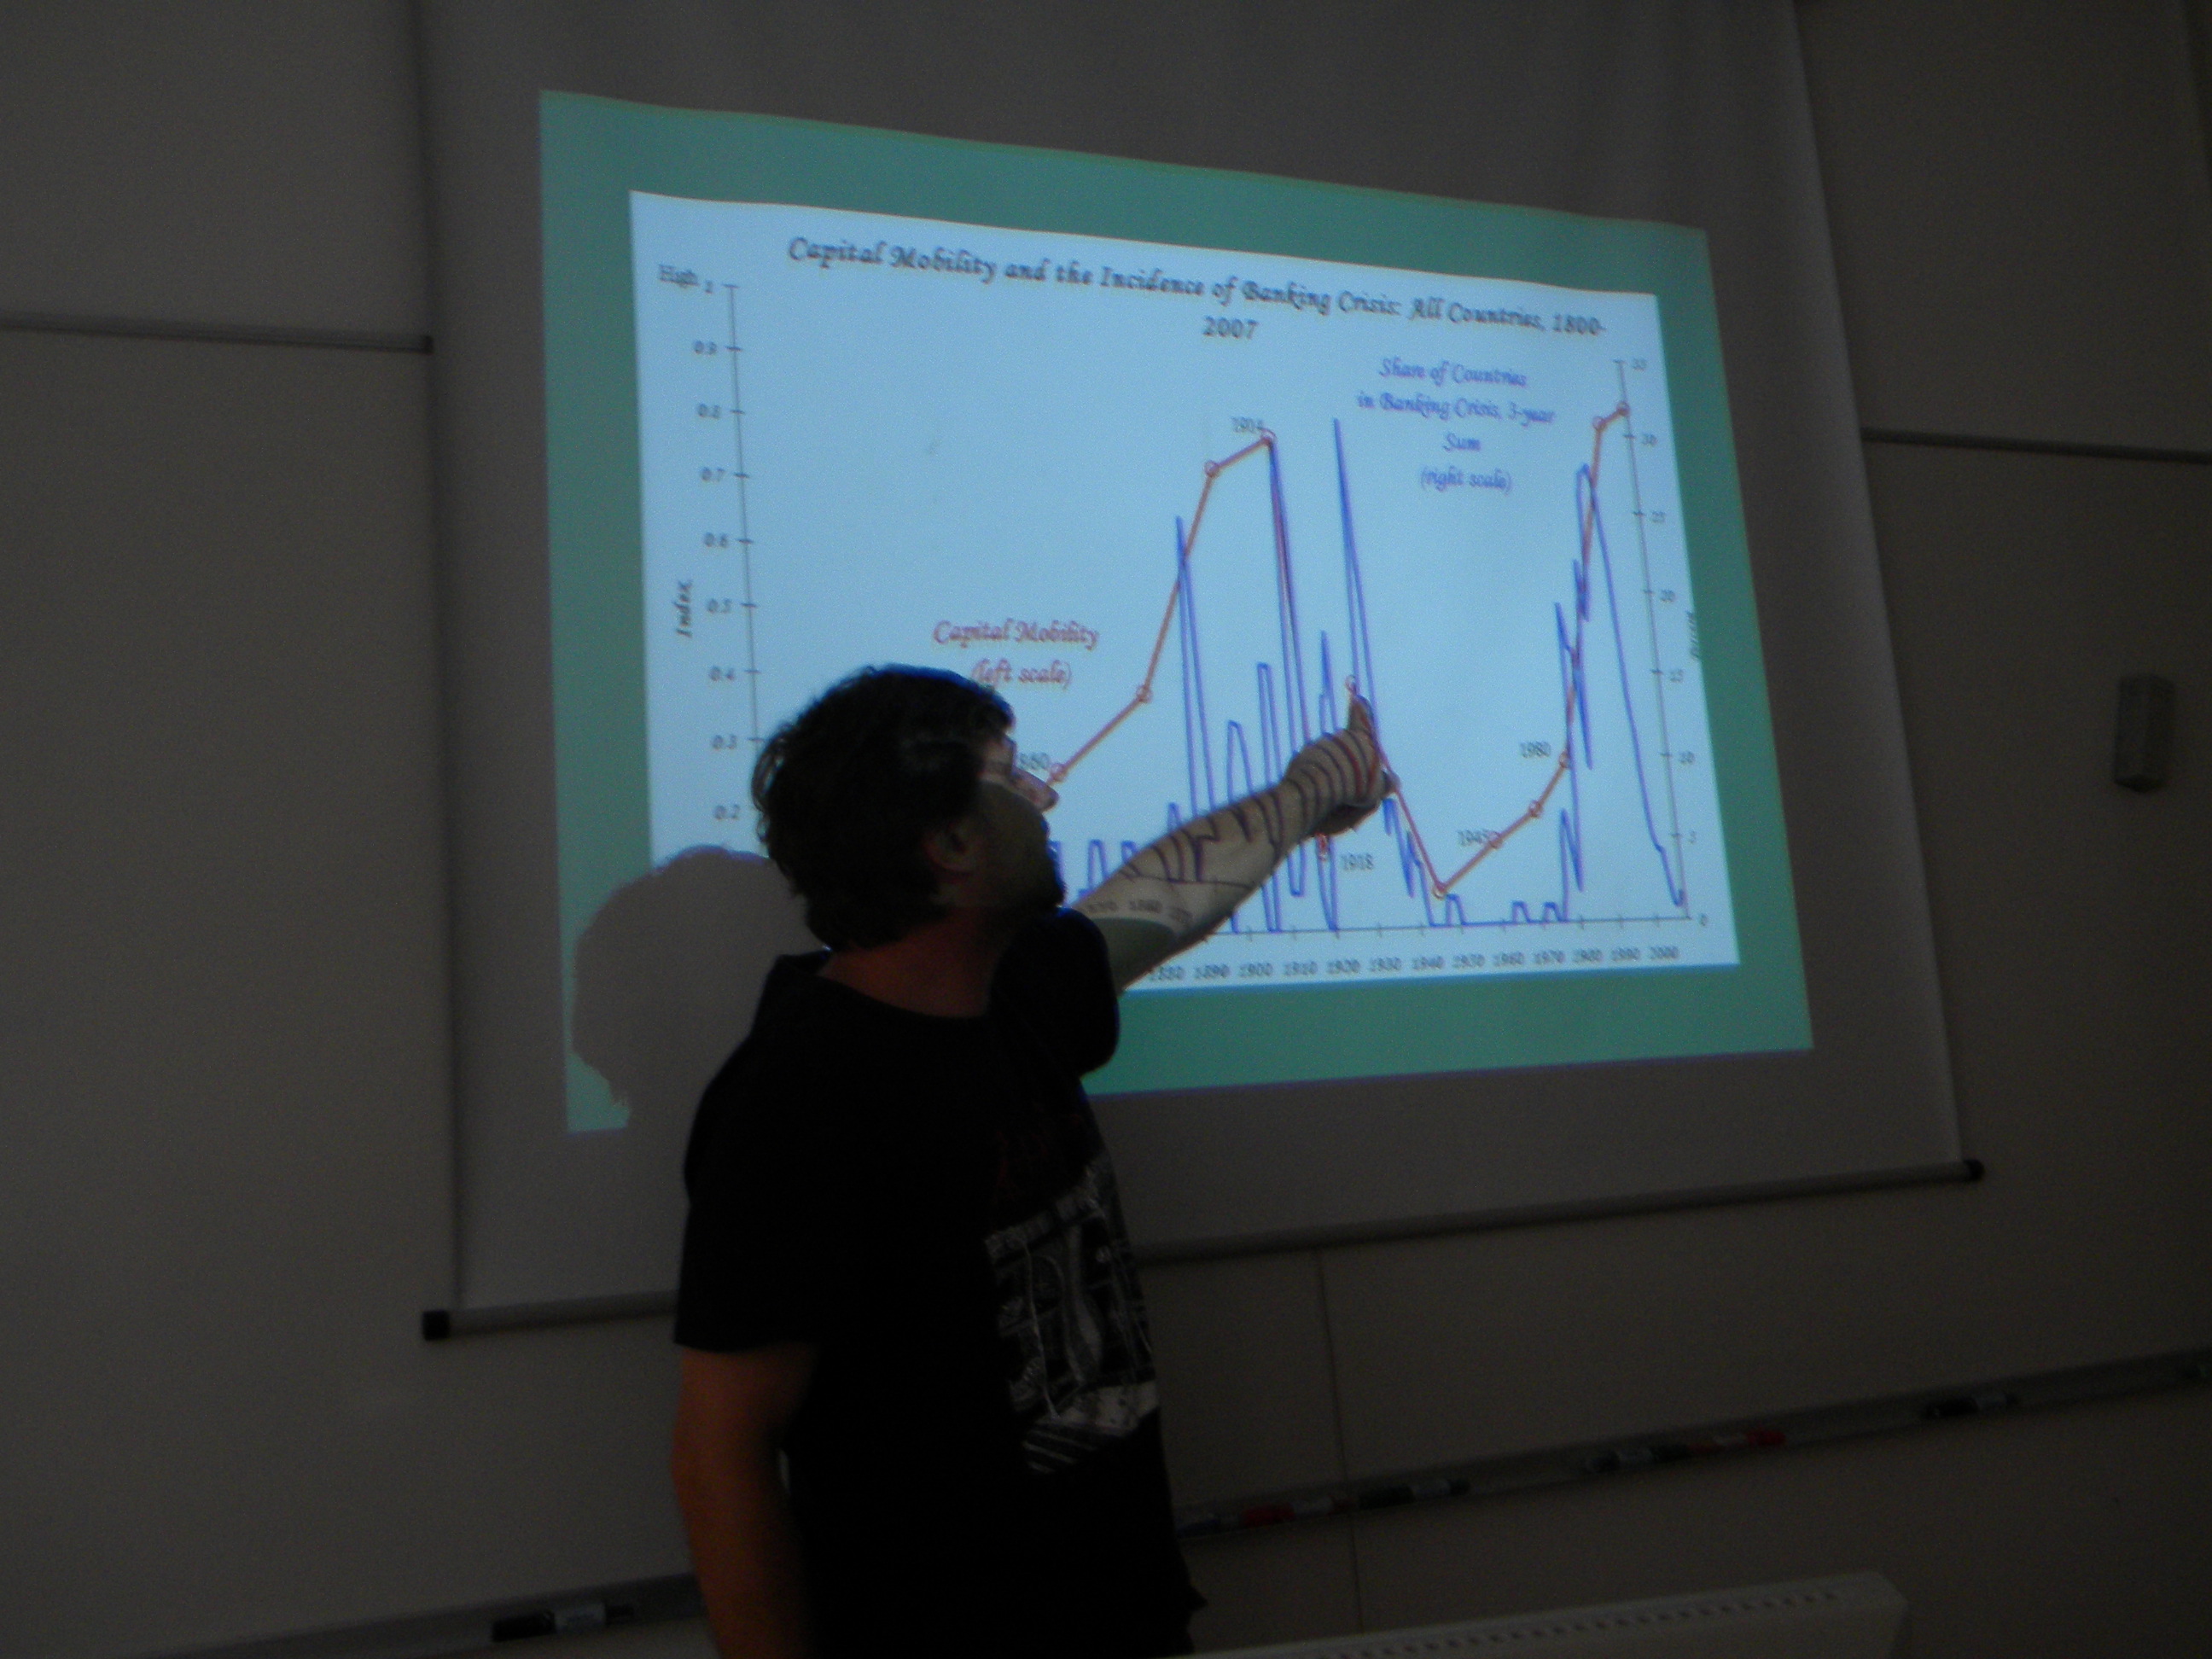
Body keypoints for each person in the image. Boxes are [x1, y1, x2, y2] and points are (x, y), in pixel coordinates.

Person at [670, 665, 1388, 1659]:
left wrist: (1313, 789)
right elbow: (721, 1456)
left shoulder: (1007, 995)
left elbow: (1163, 899)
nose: (1045, 795)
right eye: (1012, 776)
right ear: (951, 844)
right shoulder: (801, 1100)